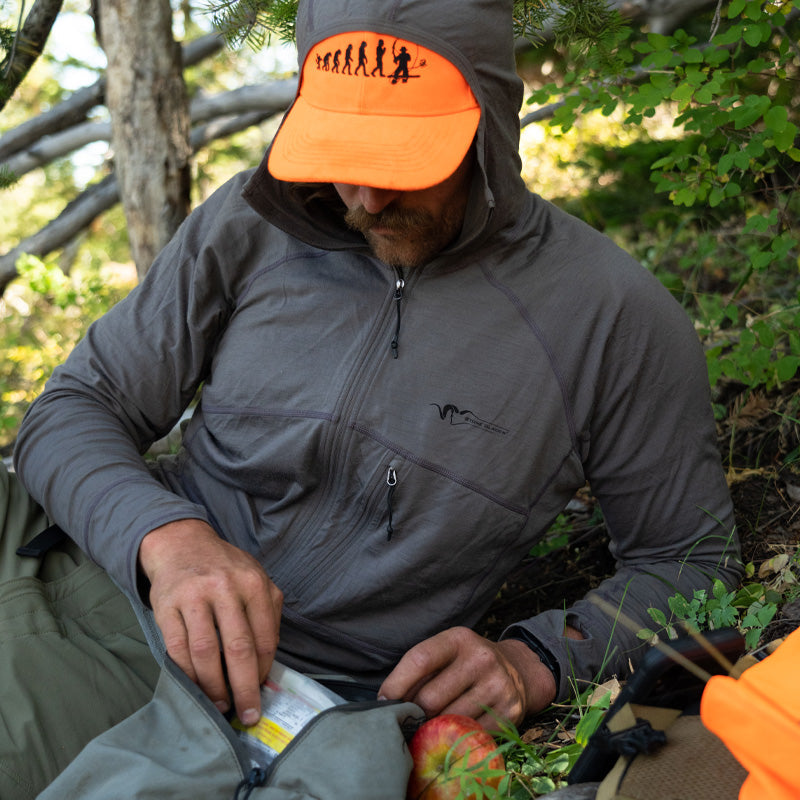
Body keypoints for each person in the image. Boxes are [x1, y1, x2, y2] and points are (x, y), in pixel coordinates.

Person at [3, 0, 741, 795]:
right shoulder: (250, 225)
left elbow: (689, 561)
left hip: (253, 702)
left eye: (402, 158)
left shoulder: (613, 319)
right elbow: (74, 407)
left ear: (488, 123)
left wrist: (541, 660)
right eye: (341, 148)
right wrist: (169, 540)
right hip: (82, 560)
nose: (364, 196)